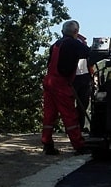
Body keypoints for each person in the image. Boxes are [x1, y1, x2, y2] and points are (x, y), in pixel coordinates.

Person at [41, 20, 91, 155]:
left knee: (49, 115)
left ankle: (47, 143)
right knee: (70, 115)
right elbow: (89, 54)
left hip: (49, 81)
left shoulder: (56, 45)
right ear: (76, 32)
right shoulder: (74, 44)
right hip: (61, 83)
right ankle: (79, 145)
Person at [73, 33, 95, 133]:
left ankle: (77, 127)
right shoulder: (79, 43)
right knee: (82, 104)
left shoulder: (66, 43)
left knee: (82, 104)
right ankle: (77, 127)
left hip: (81, 76)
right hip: (79, 77)